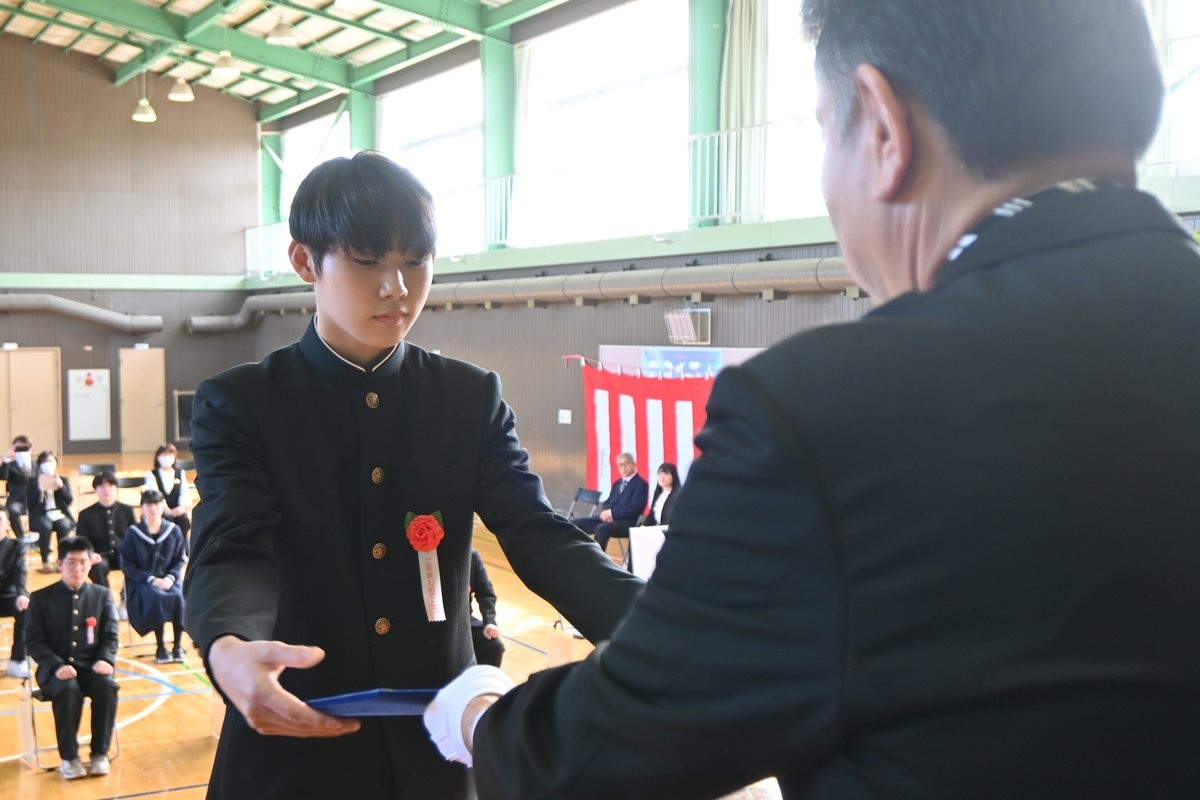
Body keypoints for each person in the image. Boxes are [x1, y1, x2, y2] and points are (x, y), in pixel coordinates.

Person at [425, 2, 1200, 798]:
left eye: (827, 132)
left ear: (883, 126)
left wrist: (477, 711)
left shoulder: (829, 413)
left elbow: (593, 759)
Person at [183, 151, 642, 800]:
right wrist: (228, 644)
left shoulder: (467, 397)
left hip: (441, 746)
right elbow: (233, 544)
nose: (397, 287)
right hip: (294, 743)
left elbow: (538, 533)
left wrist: (660, 628)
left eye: (415, 262)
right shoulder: (243, 403)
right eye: (368, 262)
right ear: (305, 262)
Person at [25, 535, 119, 780]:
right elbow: (33, 642)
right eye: (71, 563)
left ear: (90, 563)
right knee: (67, 689)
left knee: (107, 686)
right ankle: (69, 757)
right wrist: (56, 665)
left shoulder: (101, 595)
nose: (78, 568)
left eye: (83, 562)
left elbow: (110, 636)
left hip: (91, 667)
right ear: (59, 564)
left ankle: (100, 753)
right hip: (54, 670)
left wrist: (106, 659)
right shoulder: (40, 598)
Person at [121, 490, 186, 664]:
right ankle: (161, 647)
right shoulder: (134, 533)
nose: (153, 508)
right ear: (142, 507)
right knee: (156, 598)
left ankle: (177, 646)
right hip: (142, 582)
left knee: (179, 597)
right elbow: (128, 565)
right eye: (149, 505)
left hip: (169, 580)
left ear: (163, 506)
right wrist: (152, 580)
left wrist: (170, 578)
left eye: (157, 504)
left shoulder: (174, 530)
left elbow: (180, 559)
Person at [572, 453, 649, 556]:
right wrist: (606, 513)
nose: (624, 467)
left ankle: (596, 559)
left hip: (627, 522)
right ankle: (577, 555)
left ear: (634, 464)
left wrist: (612, 514)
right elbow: (608, 502)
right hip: (608, 520)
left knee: (602, 529)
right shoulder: (617, 484)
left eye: (626, 463)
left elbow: (634, 509)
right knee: (576, 524)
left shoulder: (641, 484)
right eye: (620, 465)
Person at [76, 471, 137, 589]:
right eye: (102, 486)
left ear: (116, 488)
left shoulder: (127, 510)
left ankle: (128, 595)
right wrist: (90, 554)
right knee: (96, 567)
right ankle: (105, 597)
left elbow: (135, 536)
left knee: (132, 565)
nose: (106, 490)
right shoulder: (85, 514)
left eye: (110, 486)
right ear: (95, 490)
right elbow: (82, 540)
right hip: (99, 554)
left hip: (123, 553)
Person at [26, 450, 75, 574]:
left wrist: (61, 487)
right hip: (40, 514)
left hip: (59, 513)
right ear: (40, 464)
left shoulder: (63, 479)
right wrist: (39, 489)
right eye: (45, 461)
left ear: (56, 463)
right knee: (45, 526)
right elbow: (29, 503)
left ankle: (62, 561)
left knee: (64, 525)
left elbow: (69, 500)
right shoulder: (33, 481)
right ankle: (45, 562)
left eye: (51, 461)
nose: (48, 464)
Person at [0, 508, 31, 679]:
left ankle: (17, 660)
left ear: (8, 524)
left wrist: (21, 594)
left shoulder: (16, 545)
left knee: (26, 607)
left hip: (9, 596)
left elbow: (21, 572)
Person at [144, 444, 192, 553]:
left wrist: (181, 507)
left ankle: (183, 549)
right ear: (157, 457)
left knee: (184, 520)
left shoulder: (180, 473)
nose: (166, 458)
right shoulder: (151, 474)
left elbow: (184, 493)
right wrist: (167, 510)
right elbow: (155, 494)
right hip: (160, 509)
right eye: (163, 455)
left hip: (178, 509)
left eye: (170, 455)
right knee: (166, 520)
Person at [468, 550, 504, 669]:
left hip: (463, 622)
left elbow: (486, 594)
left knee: (494, 646)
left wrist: (490, 622)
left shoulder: (471, 557)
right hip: (427, 624)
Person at [0, 434, 35, 543]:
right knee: (11, 510)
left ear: (30, 450)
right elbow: (3, 477)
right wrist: (6, 459)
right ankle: (22, 538)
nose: (21, 452)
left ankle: (39, 541)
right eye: (18, 449)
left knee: (42, 512)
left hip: (34, 498)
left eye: (24, 448)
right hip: (17, 499)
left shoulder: (36, 465)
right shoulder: (10, 465)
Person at [638, 462, 679, 528]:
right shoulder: (658, 494)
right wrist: (643, 526)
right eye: (660, 473)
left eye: (666, 474)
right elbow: (652, 516)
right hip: (657, 529)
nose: (662, 477)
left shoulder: (678, 494)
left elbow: (673, 518)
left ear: (673, 476)